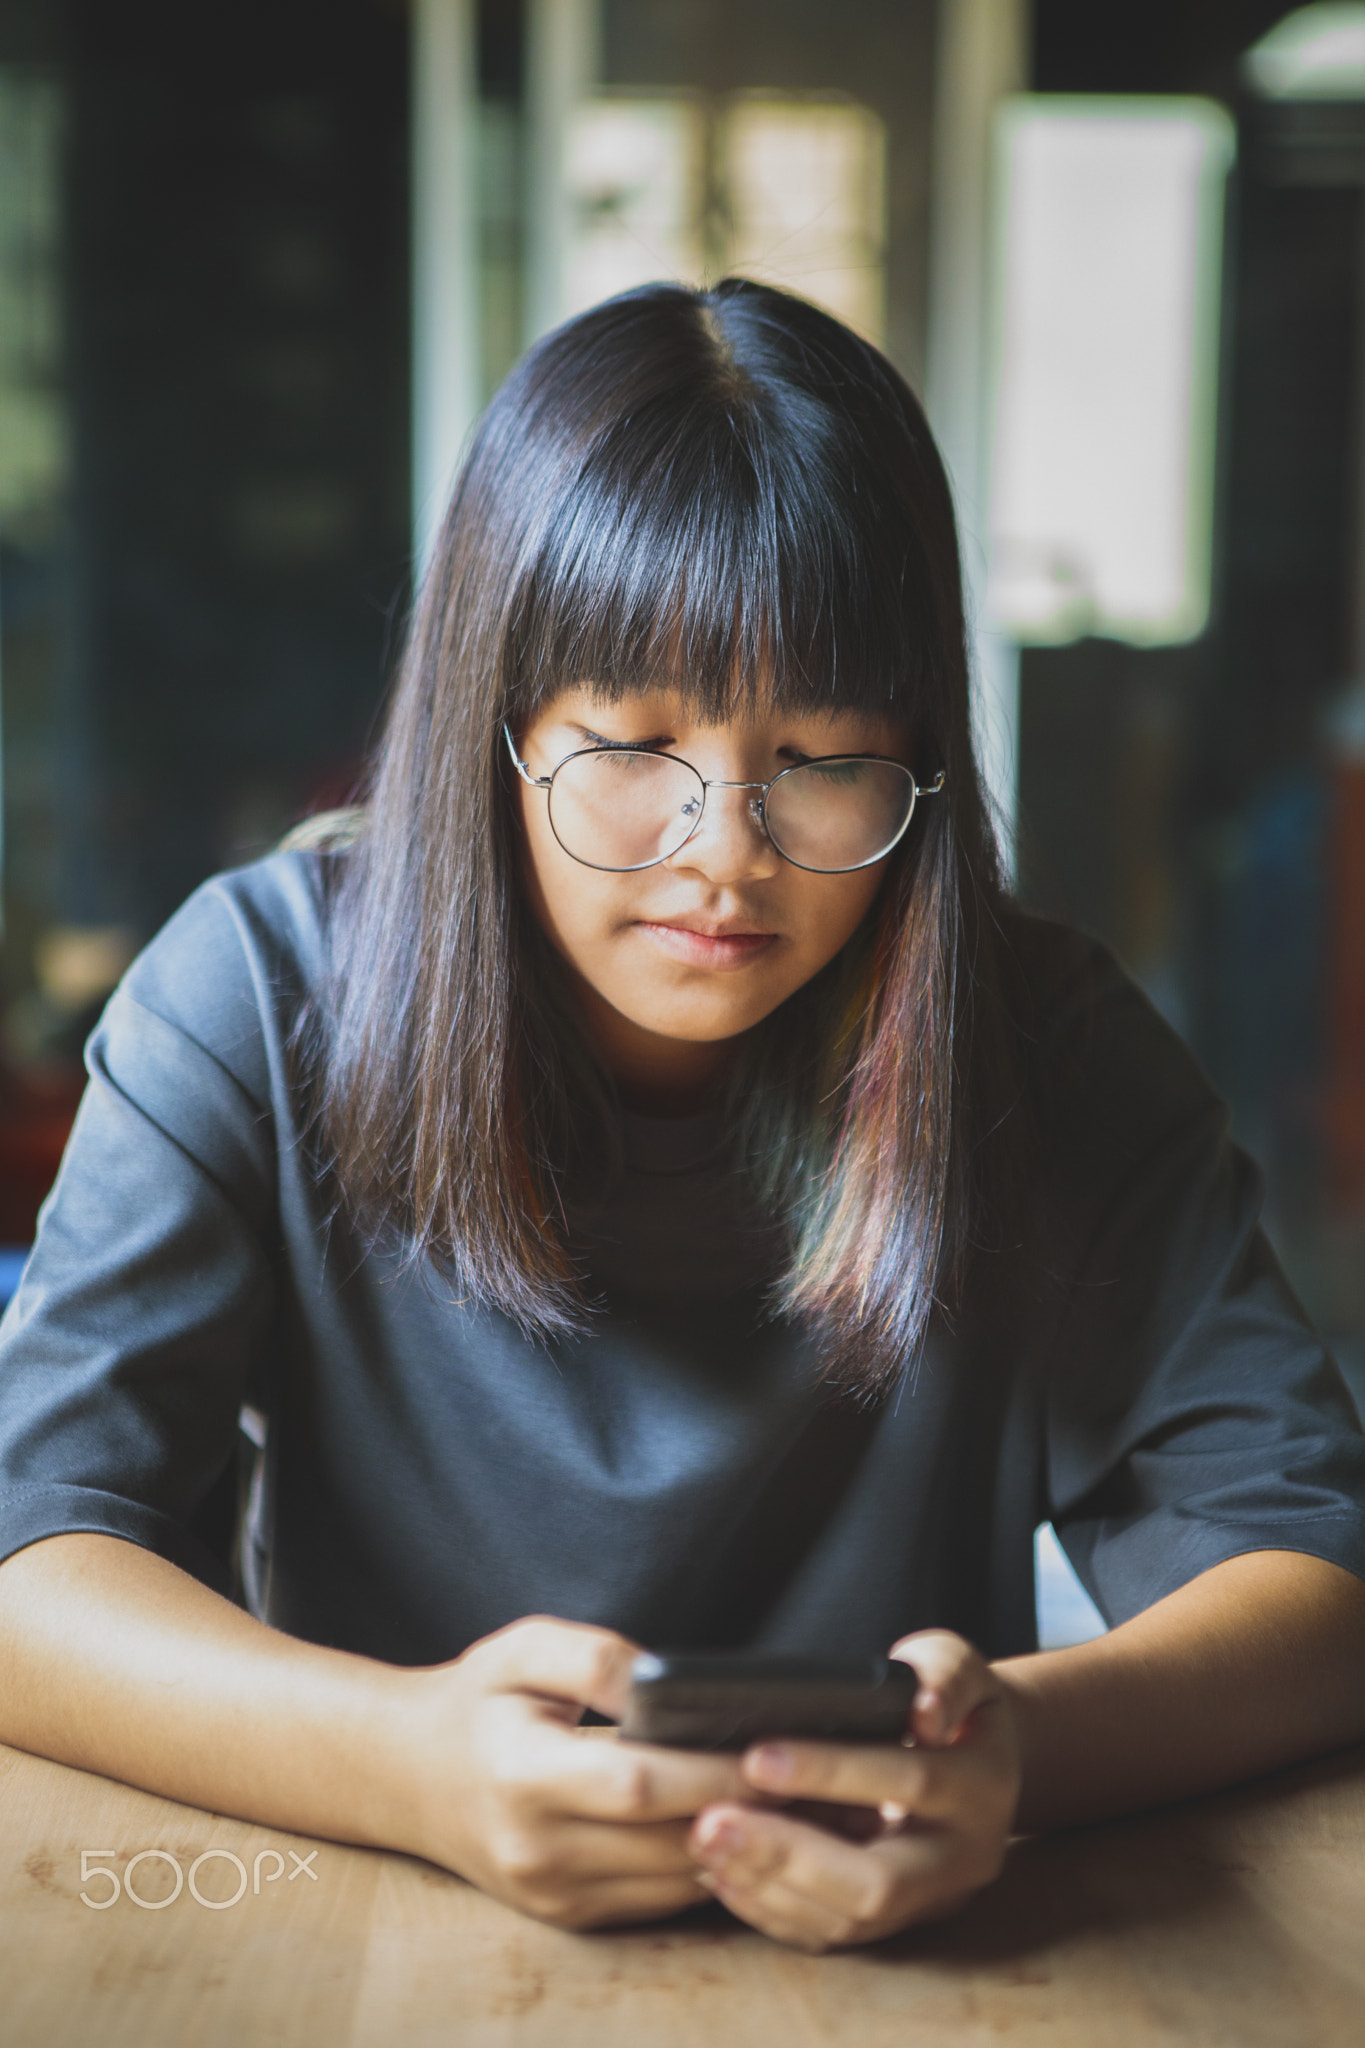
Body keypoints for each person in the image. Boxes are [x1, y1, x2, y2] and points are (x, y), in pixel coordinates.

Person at [1, 280, 1364, 1955]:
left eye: (821, 755)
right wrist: (411, 1765)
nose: (726, 847)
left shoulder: (1044, 1046)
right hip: (369, 1936)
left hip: (907, 1958)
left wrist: (1014, 1755)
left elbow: (1314, 1577)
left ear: (922, 757)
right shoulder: (256, 994)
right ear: (491, 732)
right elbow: (32, 1562)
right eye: (633, 742)